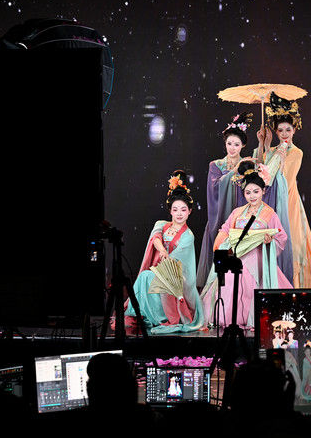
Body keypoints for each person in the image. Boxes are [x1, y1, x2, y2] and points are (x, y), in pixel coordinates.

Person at [253, 92, 311, 290]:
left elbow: (283, 179)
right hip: (269, 200)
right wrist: (264, 143)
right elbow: (259, 170)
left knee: (292, 242)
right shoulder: (272, 150)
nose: (285, 134)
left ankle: (293, 286)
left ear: (294, 130)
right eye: (280, 130)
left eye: (288, 129)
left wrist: (276, 157)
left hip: (288, 200)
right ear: (276, 131)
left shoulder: (296, 153)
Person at [201, 161, 292, 328]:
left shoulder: (269, 214)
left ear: (263, 191)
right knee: (229, 281)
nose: (252, 196)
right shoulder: (237, 212)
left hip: (258, 259)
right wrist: (223, 244)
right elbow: (225, 230)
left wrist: (269, 241)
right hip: (237, 257)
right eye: (248, 192)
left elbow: (281, 236)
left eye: (256, 191)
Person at [124, 171, 205, 333]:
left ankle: (164, 317)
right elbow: (155, 237)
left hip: (175, 275)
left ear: (190, 211)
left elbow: (176, 262)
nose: (179, 213)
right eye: (175, 209)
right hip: (159, 269)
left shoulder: (188, 236)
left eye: (183, 209)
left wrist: (165, 259)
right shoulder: (161, 224)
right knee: (144, 276)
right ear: (170, 211)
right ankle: (141, 314)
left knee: (151, 277)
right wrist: (162, 250)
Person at [196, 112, 253, 288]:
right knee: (220, 260)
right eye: (229, 143)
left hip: (240, 219)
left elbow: (251, 191)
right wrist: (234, 171)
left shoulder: (248, 165)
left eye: (236, 144)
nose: (232, 148)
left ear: (243, 145)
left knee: (239, 261)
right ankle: (217, 293)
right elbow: (214, 188)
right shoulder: (215, 165)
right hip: (220, 217)